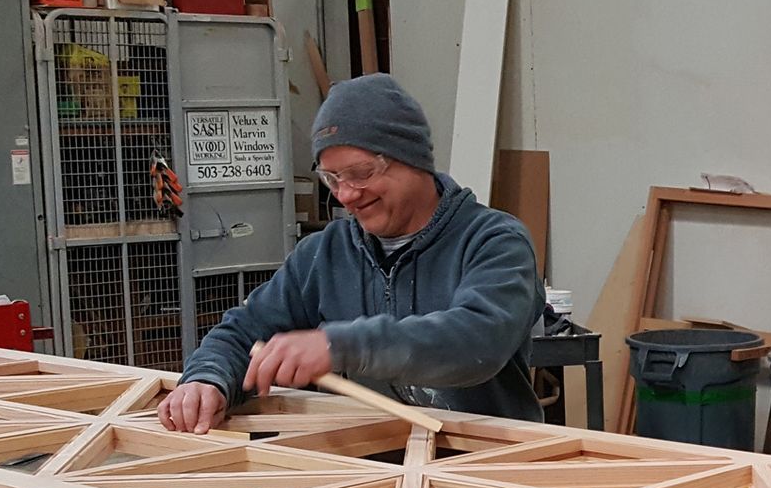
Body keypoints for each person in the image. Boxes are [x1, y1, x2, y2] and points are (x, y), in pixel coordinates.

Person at [160, 74, 544, 433]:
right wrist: (207, 379)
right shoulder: (323, 254)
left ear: (413, 159)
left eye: (361, 173)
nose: (346, 195)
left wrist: (340, 346)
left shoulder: (494, 241)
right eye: (333, 179)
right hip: (366, 467)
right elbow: (244, 331)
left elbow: (478, 341)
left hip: (481, 465)